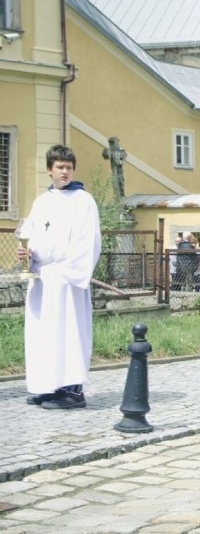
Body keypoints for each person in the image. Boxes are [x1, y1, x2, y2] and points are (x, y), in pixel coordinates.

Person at [17, 144, 102, 409]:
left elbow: (89, 240)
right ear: (49, 170)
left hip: (66, 277)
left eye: (69, 168)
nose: (65, 172)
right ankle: (49, 386)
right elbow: (31, 232)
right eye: (59, 167)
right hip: (42, 277)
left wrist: (71, 272)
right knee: (44, 333)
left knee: (68, 332)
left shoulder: (83, 201)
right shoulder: (41, 202)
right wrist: (27, 253)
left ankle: (73, 392)